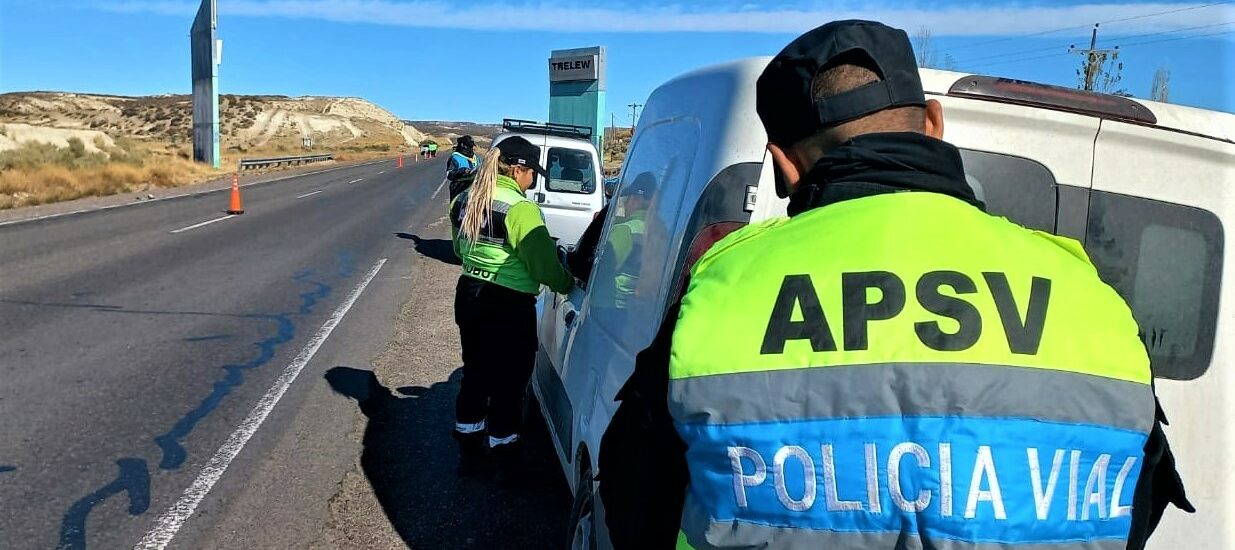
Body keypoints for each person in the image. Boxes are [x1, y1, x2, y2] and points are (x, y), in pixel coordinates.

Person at [597, 20, 1191, 550]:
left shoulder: (722, 286)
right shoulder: (1087, 294)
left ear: (784, 165)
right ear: (934, 122)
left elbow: (634, 503)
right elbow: (1139, 505)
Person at [449, 136, 574, 483]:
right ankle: (507, 459)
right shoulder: (520, 210)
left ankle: (469, 452)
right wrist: (568, 282)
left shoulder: (465, 199)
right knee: (509, 382)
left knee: (475, 373)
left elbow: (460, 249)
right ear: (519, 169)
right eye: (532, 172)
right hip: (507, 303)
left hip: (469, 293)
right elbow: (544, 268)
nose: (533, 179)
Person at [446, 135, 479, 200]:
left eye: (472, 146)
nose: (471, 148)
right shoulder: (455, 158)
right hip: (458, 188)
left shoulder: (475, 157)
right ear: (462, 145)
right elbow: (449, 174)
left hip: (473, 188)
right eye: (469, 146)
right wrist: (463, 171)